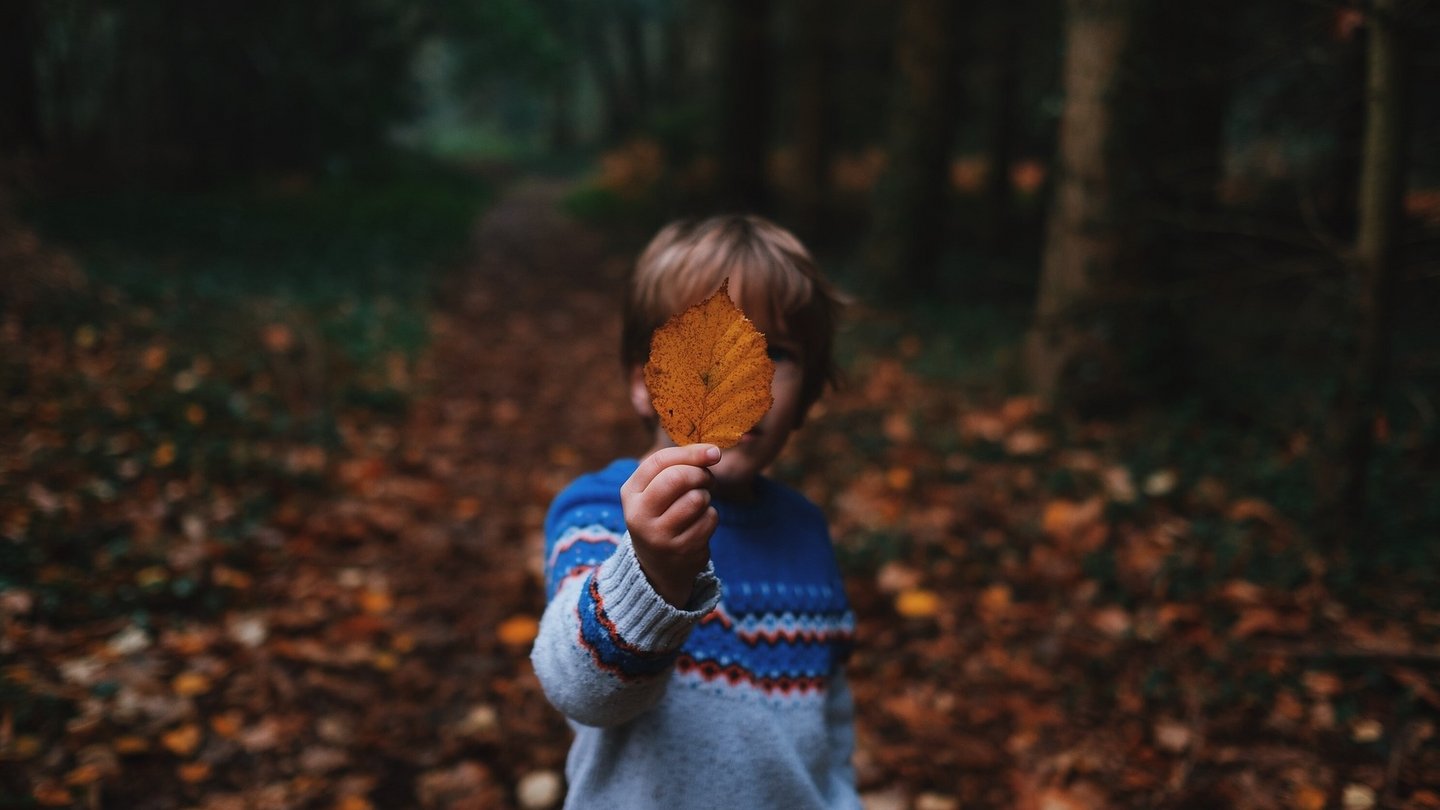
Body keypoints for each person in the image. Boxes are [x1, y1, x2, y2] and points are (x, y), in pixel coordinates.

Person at [531, 214, 860, 809]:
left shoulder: (806, 532)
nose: (744, 369)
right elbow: (580, 691)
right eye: (709, 347)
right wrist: (652, 572)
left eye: (776, 351)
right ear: (645, 381)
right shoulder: (601, 512)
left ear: (806, 398)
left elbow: (830, 728)